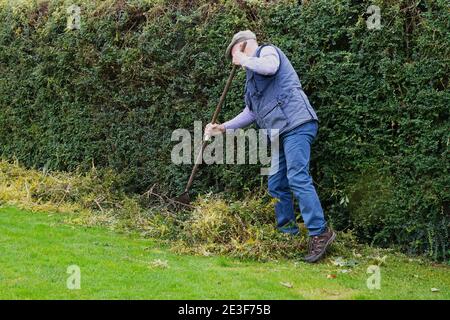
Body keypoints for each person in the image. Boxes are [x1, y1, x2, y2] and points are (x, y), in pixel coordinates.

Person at [205, 30, 336, 263]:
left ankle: (320, 232)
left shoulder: (267, 52)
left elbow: (270, 67)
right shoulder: (250, 81)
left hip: (297, 124)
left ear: (243, 45)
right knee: (276, 182)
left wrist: (244, 59)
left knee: (297, 177)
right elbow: (251, 113)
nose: (235, 62)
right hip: (279, 133)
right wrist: (223, 128)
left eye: (234, 53)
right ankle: (288, 235)